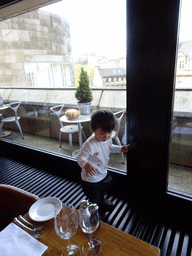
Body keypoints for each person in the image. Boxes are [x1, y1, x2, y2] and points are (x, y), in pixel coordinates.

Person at [76, 109, 129, 215]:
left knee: (103, 189)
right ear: (93, 129)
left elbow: (110, 147)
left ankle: (102, 201)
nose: (107, 136)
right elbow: (80, 157)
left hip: (101, 172)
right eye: (102, 133)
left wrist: (120, 148)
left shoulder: (107, 139)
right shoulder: (90, 144)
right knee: (94, 198)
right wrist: (86, 164)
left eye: (110, 132)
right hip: (90, 179)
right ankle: (95, 213)